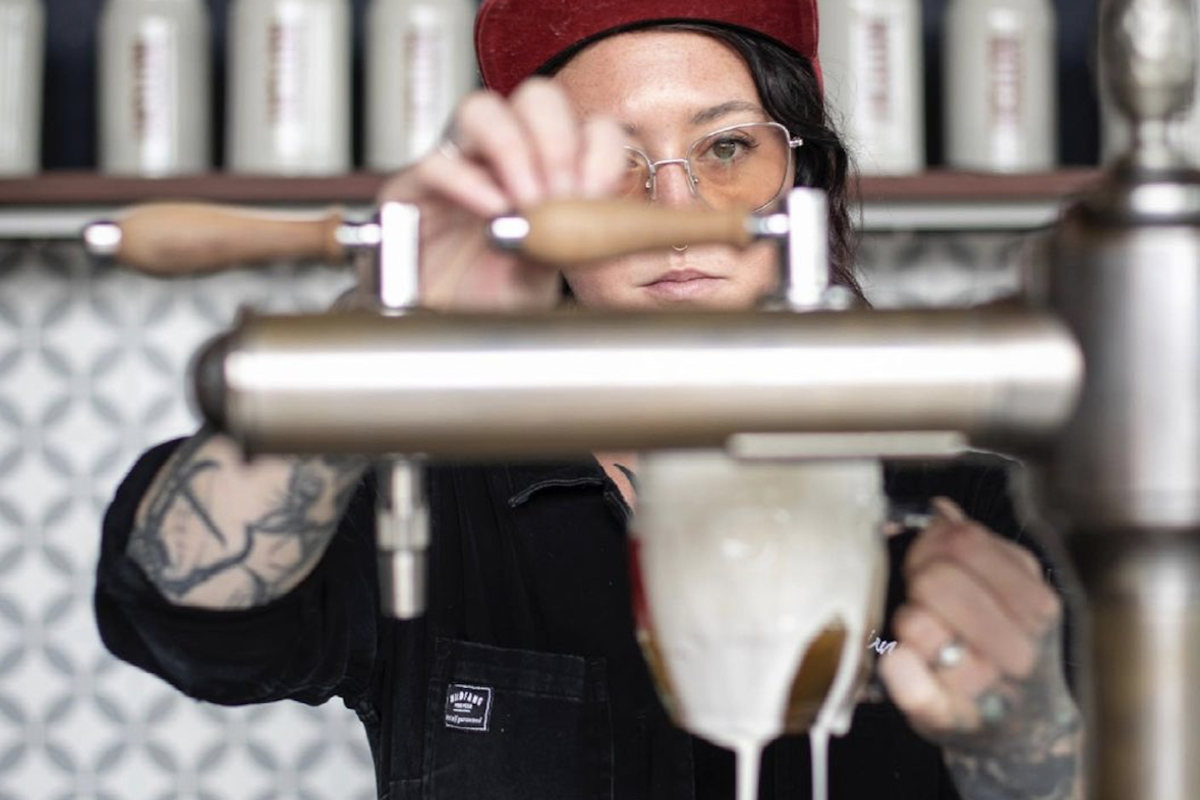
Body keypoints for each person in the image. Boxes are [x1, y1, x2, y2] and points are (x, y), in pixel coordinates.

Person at [95, 0, 1084, 798]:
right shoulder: (433, 496)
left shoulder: (987, 516)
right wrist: (384, 322)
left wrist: (1029, 735)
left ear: (803, 182)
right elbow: (180, 612)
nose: (675, 211)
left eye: (728, 149)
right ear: (528, 207)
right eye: (609, 161)